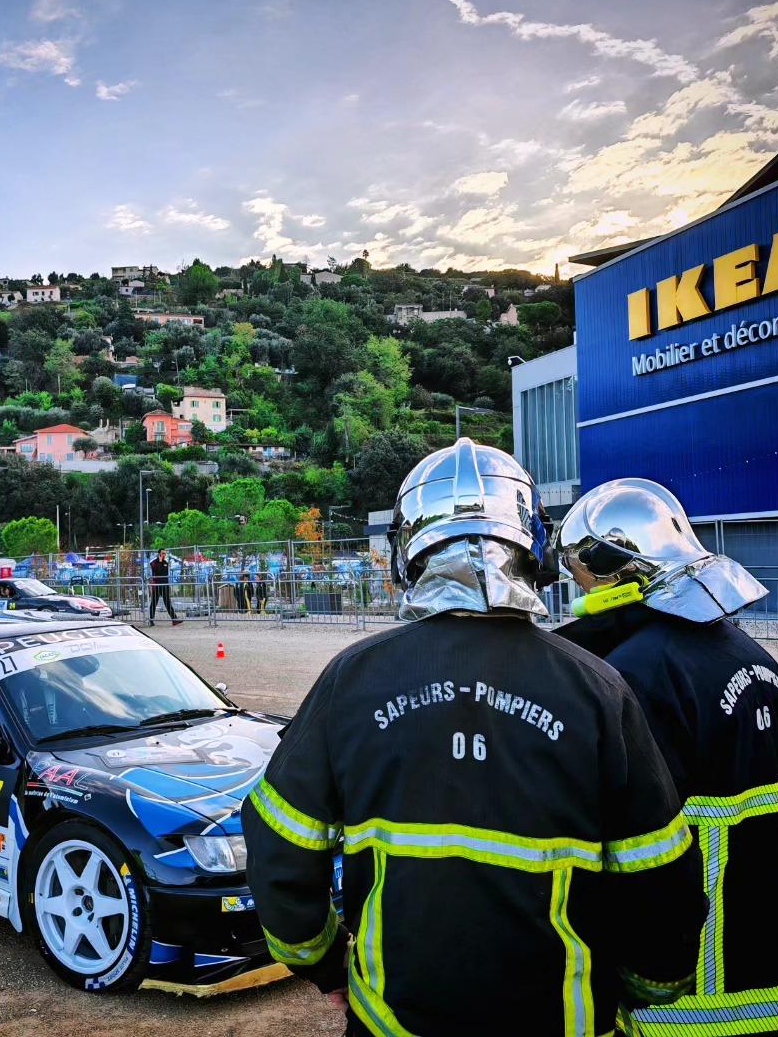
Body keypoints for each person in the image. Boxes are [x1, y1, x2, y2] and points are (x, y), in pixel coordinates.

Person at [242, 438, 707, 1036]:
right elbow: (659, 875)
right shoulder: (597, 688)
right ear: (530, 545)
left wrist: (324, 964)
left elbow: (280, 846)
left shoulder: (352, 679)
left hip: (392, 1022)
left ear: (407, 550)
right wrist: (646, 984)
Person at [555, 478, 778, 1036]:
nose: (576, 588)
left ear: (610, 566)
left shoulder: (638, 672)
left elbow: (625, 827)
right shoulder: (755, 658)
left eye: (578, 573)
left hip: (684, 982)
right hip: (763, 959)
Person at [147, 549, 182, 626]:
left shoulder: (165, 563)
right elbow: (157, 571)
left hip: (165, 585)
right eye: (163, 553)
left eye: (165, 554)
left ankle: (174, 619)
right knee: (153, 603)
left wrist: (161, 563)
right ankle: (151, 620)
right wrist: (159, 562)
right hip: (157, 586)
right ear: (159, 554)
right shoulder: (153, 563)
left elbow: (164, 572)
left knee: (168, 603)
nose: (164, 555)